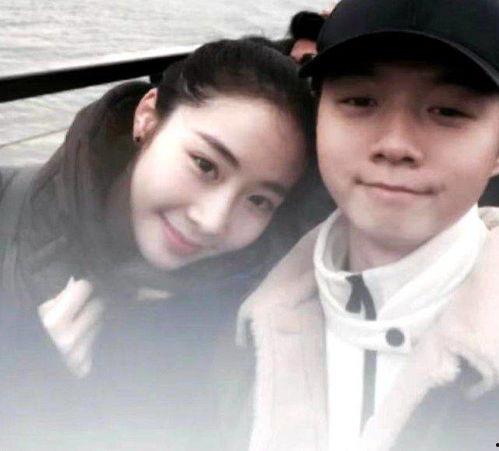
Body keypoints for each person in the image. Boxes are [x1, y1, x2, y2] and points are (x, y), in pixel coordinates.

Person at [0, 38, 318, 449]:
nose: (213, 221)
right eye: (205, 165)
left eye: (259, 201)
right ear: (147, 119)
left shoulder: (252, 328)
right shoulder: (7, 206)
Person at [236, 0, 499, 450]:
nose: (395, 145)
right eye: (360, 101)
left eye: (448, 111)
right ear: (318, 119)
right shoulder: (234, 318)